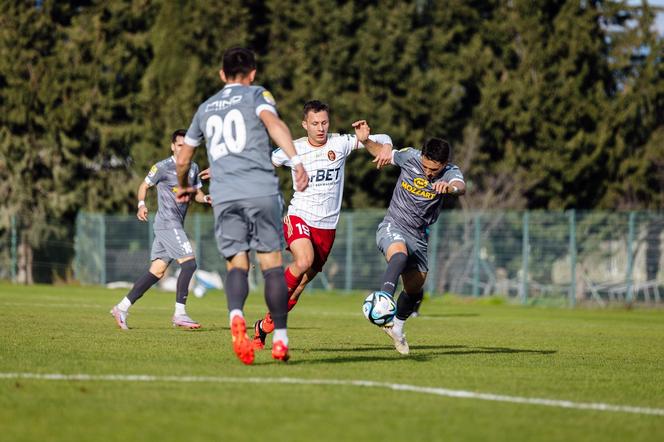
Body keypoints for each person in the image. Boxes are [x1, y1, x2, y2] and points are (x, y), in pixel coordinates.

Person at [174, 47, 308, 365]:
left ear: (222, 75)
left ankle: (237, 317)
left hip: (226, 194)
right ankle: (280, 339)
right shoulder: (257, 94)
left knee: (237, 264)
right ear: (253, 73)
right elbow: (273, 123)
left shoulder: (205, 108)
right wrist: (296, 159)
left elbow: (184, 158)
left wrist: (184, 185)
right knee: (273, 265)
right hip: (260, 189)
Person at [251, 100, 393, 349]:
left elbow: (385, 138)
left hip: (326, 228)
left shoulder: (341, 143)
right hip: (299, 217)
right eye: (315, 123)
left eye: (324, 122)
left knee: (299, 288)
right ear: (305, 124)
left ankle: (263, 326)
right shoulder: (292, 148)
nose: (320, 128)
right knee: (303, 260)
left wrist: (383, 146)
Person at [110, 129, 211, 330]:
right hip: (167, 223)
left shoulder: (193, 168)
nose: (184, 149)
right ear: (173, 146)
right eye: (180, 145)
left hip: (174, 225)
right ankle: (180, 313)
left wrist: (206, 198)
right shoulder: (162, 167)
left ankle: (121, 308)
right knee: (189, 264)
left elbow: (197, 194)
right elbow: (144, 186)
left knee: (157, 271)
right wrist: (141, 204)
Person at [373, 137, 466, 354]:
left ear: (444, 164)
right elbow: (385, 153)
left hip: (419, 236)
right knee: (399, 255)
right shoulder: (410, 156)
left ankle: (397, 328)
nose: (428, 172)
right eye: (424, 166)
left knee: (415, 289)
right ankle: (384, 298)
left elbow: (461, 187)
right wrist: (366, 141)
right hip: (393, 224)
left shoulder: (451, 172)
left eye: (433, 169)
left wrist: (450, 188)